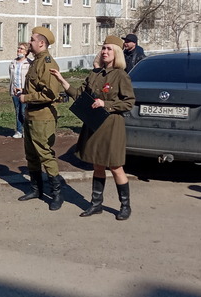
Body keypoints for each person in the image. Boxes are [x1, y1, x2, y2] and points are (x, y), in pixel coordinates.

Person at [50, 35, 136, 220]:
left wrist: (106, 104)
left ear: (117, 53)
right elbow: (80, 95)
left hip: (112, 125)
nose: (105, 51)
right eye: (103, 48)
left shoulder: (121, 75)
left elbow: (129, 102)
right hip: (94, 124)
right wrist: (62, 80)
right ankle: (96, 204)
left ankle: (125, 206)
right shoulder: (95, 74)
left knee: (115, 166)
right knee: (98, 165)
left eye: (109, 49)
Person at [17, 26, 64, 211]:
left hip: (43, 117)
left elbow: (51, 94)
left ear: (41, 43)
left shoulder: (47, 63)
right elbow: (36, 86)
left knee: (45, 154)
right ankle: (36, 190)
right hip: (31, 115)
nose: (29, 42)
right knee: (31, 155)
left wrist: (26, 98)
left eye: (32, 39)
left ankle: (57, 194)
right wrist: (23, 91)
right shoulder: (36, 61)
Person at [8, 42, 31, 138]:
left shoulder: (29, 63)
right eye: (18, 48)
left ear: (26, 52)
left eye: (21, 49)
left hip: (24, 92)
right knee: (17, 111)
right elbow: (11, 76)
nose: (19, 50)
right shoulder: (13, 63)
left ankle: (27, 131)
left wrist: (24, 89)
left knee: (24, 111)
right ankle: (19, 131)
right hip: (14, 92)